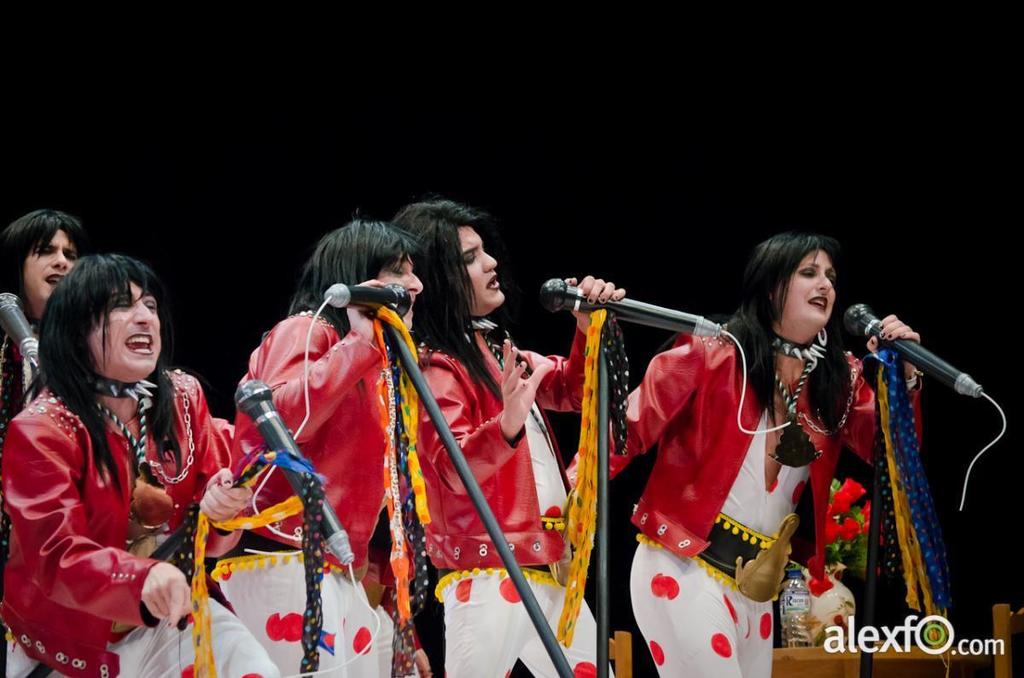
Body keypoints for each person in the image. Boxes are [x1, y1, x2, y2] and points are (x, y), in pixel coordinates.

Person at [616, 232, 922, 677]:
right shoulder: (713, 353)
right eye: (809, 273)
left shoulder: (838, 381)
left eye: (831, 277)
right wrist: (571, 502)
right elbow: (625, 431)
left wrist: (906, 382)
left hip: (758, 592)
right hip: (681, 566)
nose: (826, 286)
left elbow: (894, 457)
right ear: (772, 285)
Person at [0, 254, 278, 678]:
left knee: (254, 669)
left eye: (149, 305)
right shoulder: (41, 429)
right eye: (120, 306)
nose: (144, 317)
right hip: (67, 643)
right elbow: (53, 556)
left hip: (169, 620)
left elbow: (213, 534)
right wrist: (138, 579)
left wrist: (223, 512)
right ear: (75, 330)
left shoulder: (184, 398)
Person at [394, 198, 623, 677]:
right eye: (470, 259)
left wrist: (587, 327)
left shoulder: (495, 350)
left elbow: (574, 389)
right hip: (488, 574)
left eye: (485, 252)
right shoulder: (438, 366)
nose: (491, 262)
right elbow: (452, 469)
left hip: (549, 572)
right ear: (438, 279)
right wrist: (506, 427)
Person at [219, 219, 423, 676]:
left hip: (333, 565)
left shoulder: (371, 360)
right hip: (281, 562)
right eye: (399, 272)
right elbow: (280, 423)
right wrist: (358, 342)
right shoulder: (305, 332)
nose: (416, 285)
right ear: (358, 281)